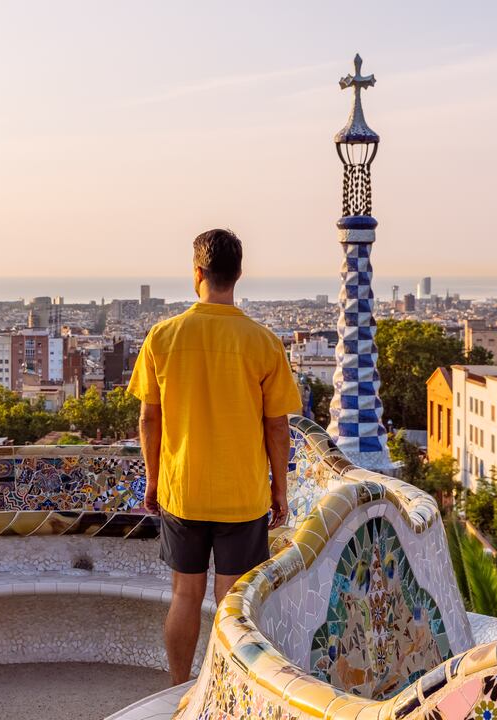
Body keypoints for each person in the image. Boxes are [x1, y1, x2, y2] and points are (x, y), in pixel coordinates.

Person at [127, 228, 303, 685]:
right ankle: (219, 693)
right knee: (231, 605)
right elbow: (277, 425)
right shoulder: (263, 342)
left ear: (197, 273)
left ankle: (178, 690)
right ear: (238, 274)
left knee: (185, 595)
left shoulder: (163, 337)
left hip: (182, 490)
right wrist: (279, 487)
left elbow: (149, 420)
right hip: (242, 495)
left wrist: (153, 479)